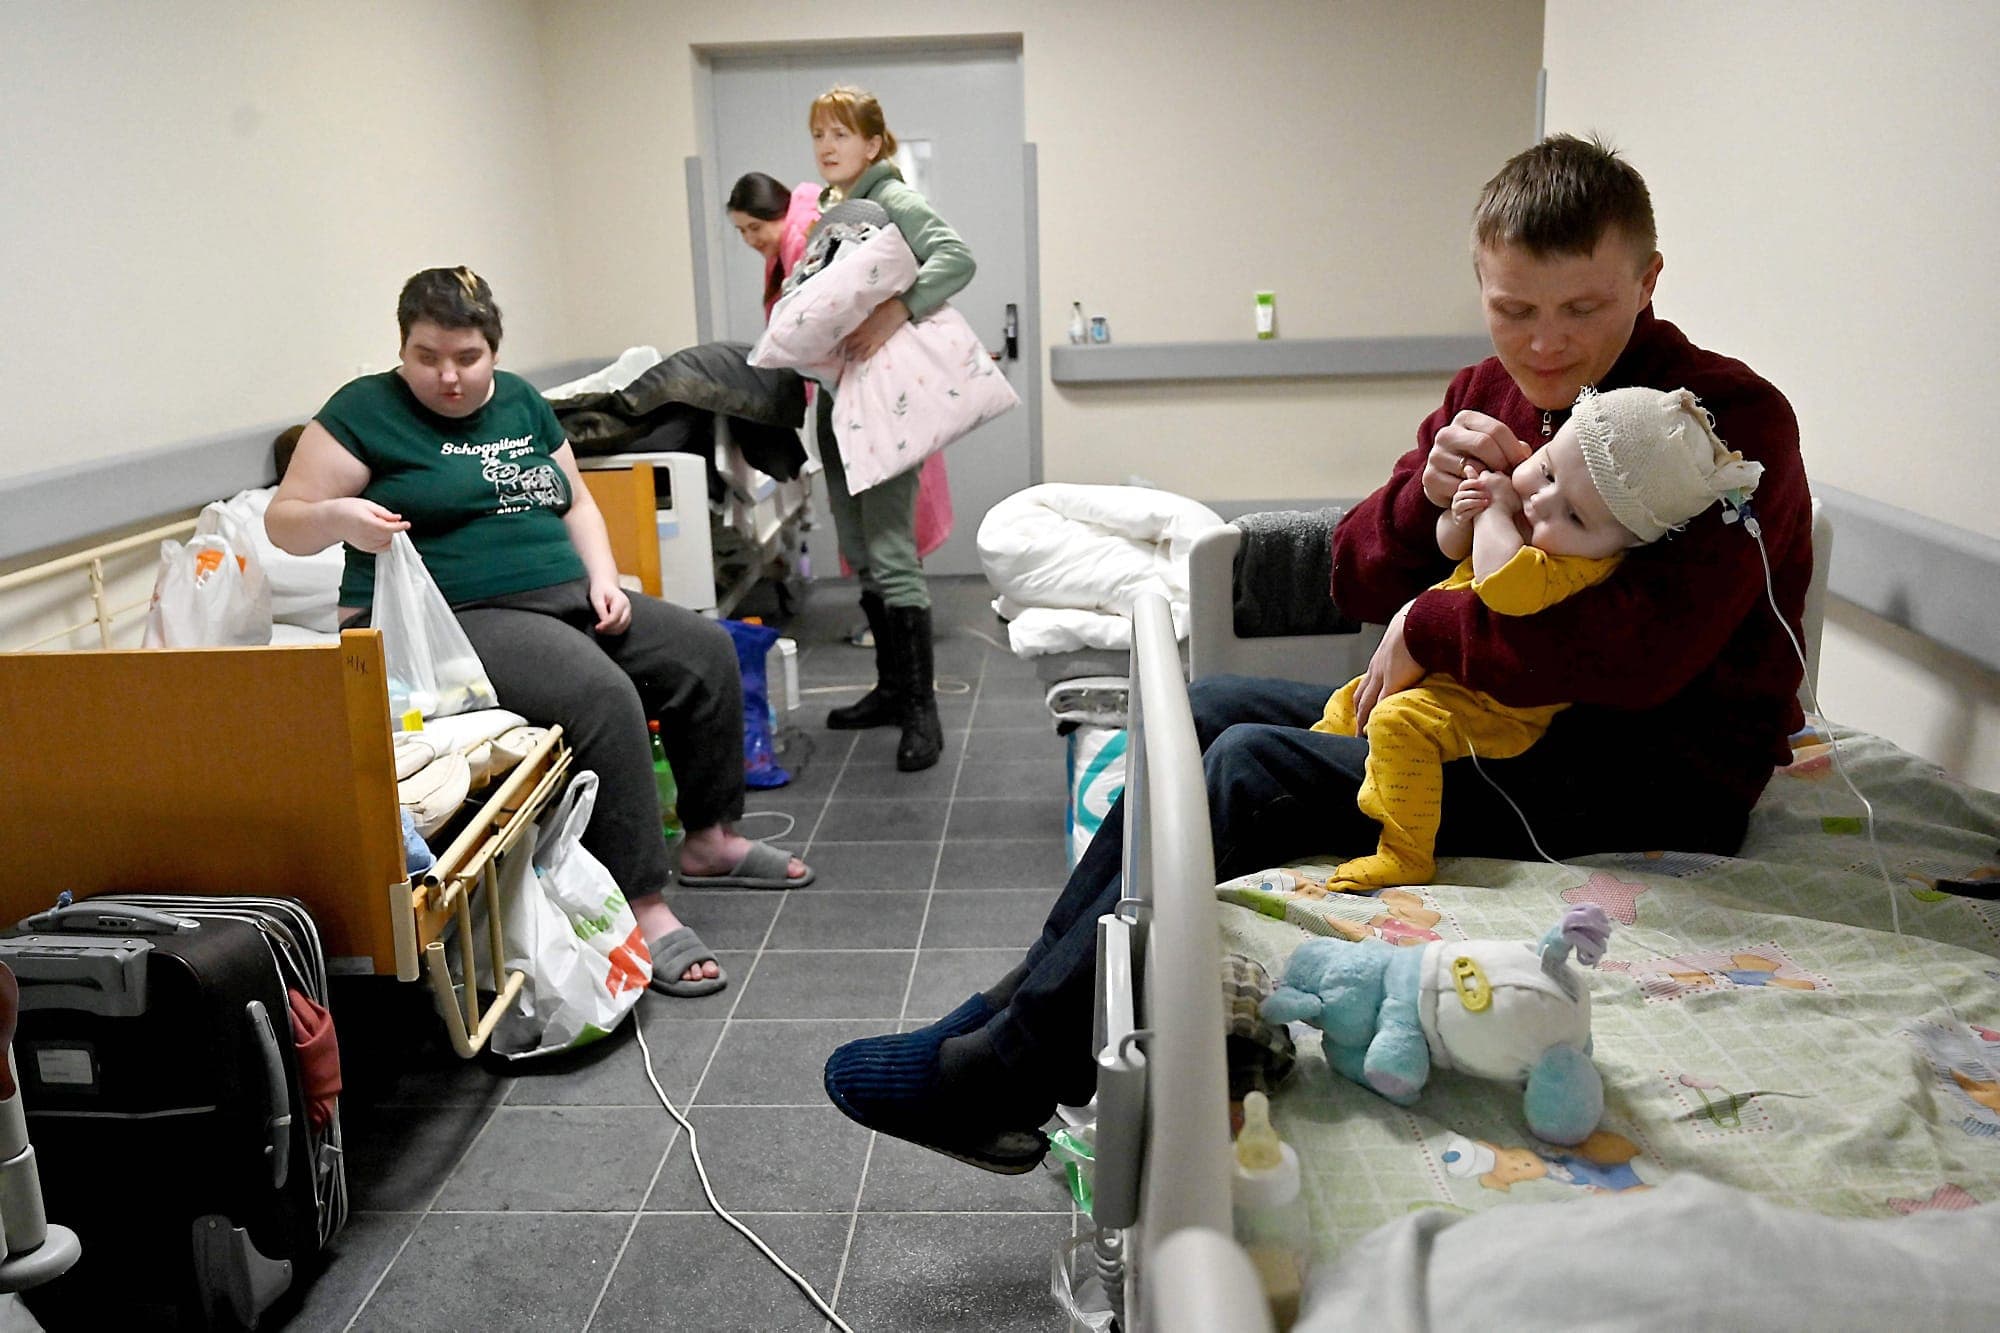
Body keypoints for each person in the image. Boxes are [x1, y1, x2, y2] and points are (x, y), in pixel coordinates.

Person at [823, 134, 1811, 1172]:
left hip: (1641, 774)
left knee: (1244, 770)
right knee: (1199, 710)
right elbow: (1353, 571)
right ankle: (1009, 1002)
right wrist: (1421, 504)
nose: (1545, 345)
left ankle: (1009, 1068)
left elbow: (1633, 659)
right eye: (1514, 309)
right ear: (1479, 282)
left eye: (1581, 310)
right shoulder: (1493, 390)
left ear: (1647, 283)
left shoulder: (1718, 428)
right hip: (1488, 727)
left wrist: (1425, 627)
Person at [266, 267, 813, 999]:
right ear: (403, 348)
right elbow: (285, 518)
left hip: (563, 593)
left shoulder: (522, 400)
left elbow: (577, 502)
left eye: (466, 357)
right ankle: (643, 905)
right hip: (450, 620)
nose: (448, 377)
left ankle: (710, 838)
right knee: (603, 695)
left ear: (492, 350)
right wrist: (340, 518)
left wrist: (604, 577)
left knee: (703, 650)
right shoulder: (365, 411)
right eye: (427, 357)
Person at [1313, 383, 1764, 892]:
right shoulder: (1537, 517)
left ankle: (1405, 852)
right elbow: (1450, 546)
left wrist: (1491, 513)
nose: (1542, 501)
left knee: (1397, 721)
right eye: (1547, 470)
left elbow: (1503, 585)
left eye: (1574, 515)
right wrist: (1460, 511)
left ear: (1627, 544)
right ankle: (1325, 772)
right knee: (1347, 702)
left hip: (1496, 712)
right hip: (1447, 681)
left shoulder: (1578, 566)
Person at [803, 84, 977, 772]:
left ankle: (920, 709)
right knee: (860, 548)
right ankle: (889, 687)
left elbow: (956, 259)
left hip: (881, 399)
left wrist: (898, 310)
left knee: (892, 550)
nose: (826, 146)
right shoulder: (834, 210)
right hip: (836, 396)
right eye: (818, 134)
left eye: (841, 134)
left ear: (874, 143)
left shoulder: (894, 199)